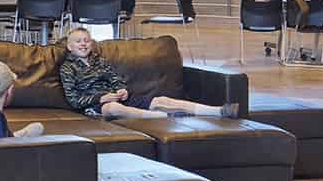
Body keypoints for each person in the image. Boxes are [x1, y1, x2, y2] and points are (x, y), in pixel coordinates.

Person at [56, 28, 231, 120]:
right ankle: (162, 116)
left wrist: (121, 90)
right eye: (78, 41)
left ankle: (218, 111)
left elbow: (116, 80)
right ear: (70, 46)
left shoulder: (100, 61)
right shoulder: (67, 68)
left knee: (161, 100)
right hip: (96, 105)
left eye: (87, 40)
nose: (84, 44)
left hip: (119, 98)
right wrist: (100, 99)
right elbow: (73, 100)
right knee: (112, 108)